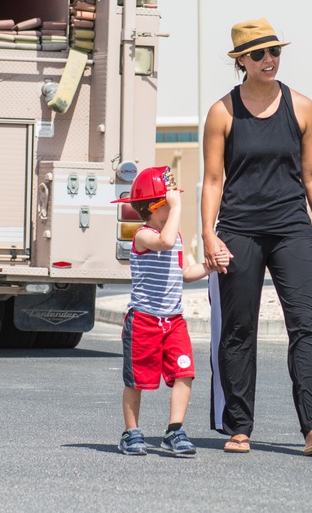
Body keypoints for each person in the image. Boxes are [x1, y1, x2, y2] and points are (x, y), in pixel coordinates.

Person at [201, 18, 312, 457]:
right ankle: (239, 426)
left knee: (305, 326)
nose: (270, 60)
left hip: (291, 229)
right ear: (241, 61)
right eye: (259, 54)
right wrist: (208, 235)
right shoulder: (222, 112)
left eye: (275, 52)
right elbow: (212, 180)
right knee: (239, 328)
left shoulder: (301, 107)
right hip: (239, 229)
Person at [112, 165, 226, 456]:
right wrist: (176, 206)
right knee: (136, 380)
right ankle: (131, 432)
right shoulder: (143, 235)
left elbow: (183, 273)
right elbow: (162, 242)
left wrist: (210, 266)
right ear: (154, 207)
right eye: (169, 202)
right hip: (144, 321)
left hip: (173, 321)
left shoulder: (174, 236)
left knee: (184, 372)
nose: (176, 205)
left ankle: (174, 430)